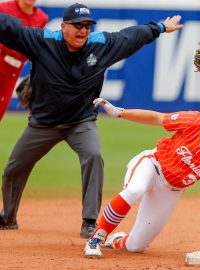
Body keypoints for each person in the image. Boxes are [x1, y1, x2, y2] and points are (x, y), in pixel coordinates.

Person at [0, 3, 183, 238]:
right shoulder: (44, 41)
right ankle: (8, 217)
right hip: (43, 123)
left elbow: (129, 37)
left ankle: (89, 221)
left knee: (94, 156)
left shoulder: (100, 45)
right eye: (77, 25)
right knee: (14, 167)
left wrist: (158, 27)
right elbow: (12, 29)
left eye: (87, 25)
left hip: (80, 122)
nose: (83, 31)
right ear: (63, 26)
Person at [83, 98, 200, 258]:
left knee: (137, 246)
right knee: (135, 190)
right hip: (152, 165)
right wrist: (121, 112)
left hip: (172, 189)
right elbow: (158, 118)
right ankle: (96, 238)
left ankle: (117, 240)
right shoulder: (195, 121)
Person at [0, 0, 48, 121]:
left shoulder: (42, 18)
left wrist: (37, 74)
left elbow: (35, 47)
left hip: (14, 71)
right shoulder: (3, 8)